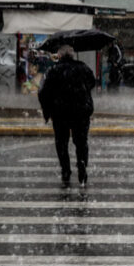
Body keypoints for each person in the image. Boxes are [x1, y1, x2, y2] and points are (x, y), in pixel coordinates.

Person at [38, 45, 96, 188]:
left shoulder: (53, 70)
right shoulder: (83, 67)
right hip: (80, 112)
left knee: (61, 142)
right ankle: (82, 164)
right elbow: (92, 83)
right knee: (81, 142)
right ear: (72, 54)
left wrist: (47, 112)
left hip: (60, 113)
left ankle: (65, 170)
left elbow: (43, 92)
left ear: (59, 55)